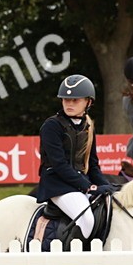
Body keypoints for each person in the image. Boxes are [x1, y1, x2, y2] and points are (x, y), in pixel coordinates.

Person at [34, 73, 114, 243]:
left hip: (78, 183)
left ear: (88, 102)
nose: (69, 103)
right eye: (65, 100)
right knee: (86, 219)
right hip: (57, 185)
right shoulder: (51, 126)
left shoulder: (88, 127)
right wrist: (88, 187)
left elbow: (92, 165)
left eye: (75, 100)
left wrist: (105, 185)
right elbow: (59, 165)